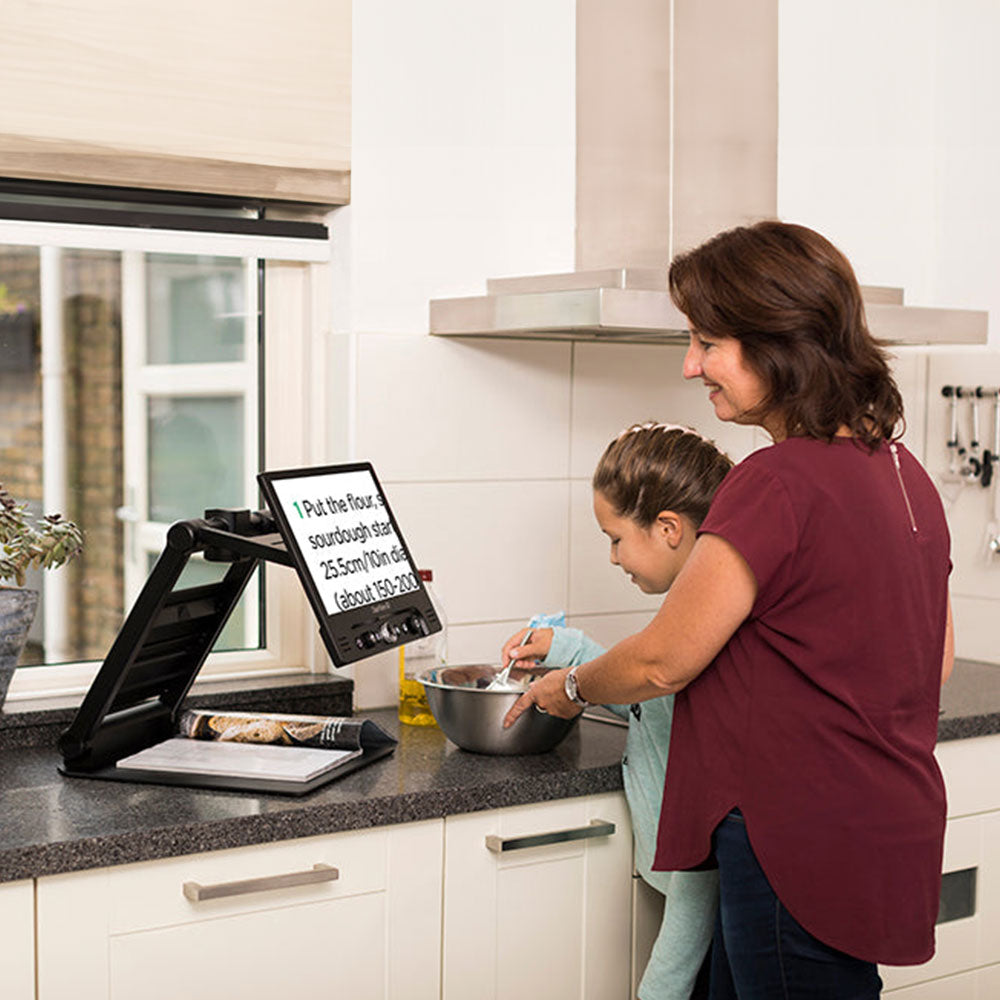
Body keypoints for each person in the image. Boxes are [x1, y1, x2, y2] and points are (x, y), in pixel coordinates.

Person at [504, 220, 954, 999]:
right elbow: (931, 659)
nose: (690, 367)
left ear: (780, 344)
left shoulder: (776, 482)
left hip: (794, 841)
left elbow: (663, 658)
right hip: (882, 826)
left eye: (708, 343)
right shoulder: (905, 475)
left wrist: (569, 688)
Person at [502, 422, 733, 1000]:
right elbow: (650, 684)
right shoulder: (693, 613)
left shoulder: (708, 632)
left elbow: (698, 889)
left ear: (669, 529)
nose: (610, 557)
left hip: (701, 896)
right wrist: (567, 649)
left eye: (615, 538)